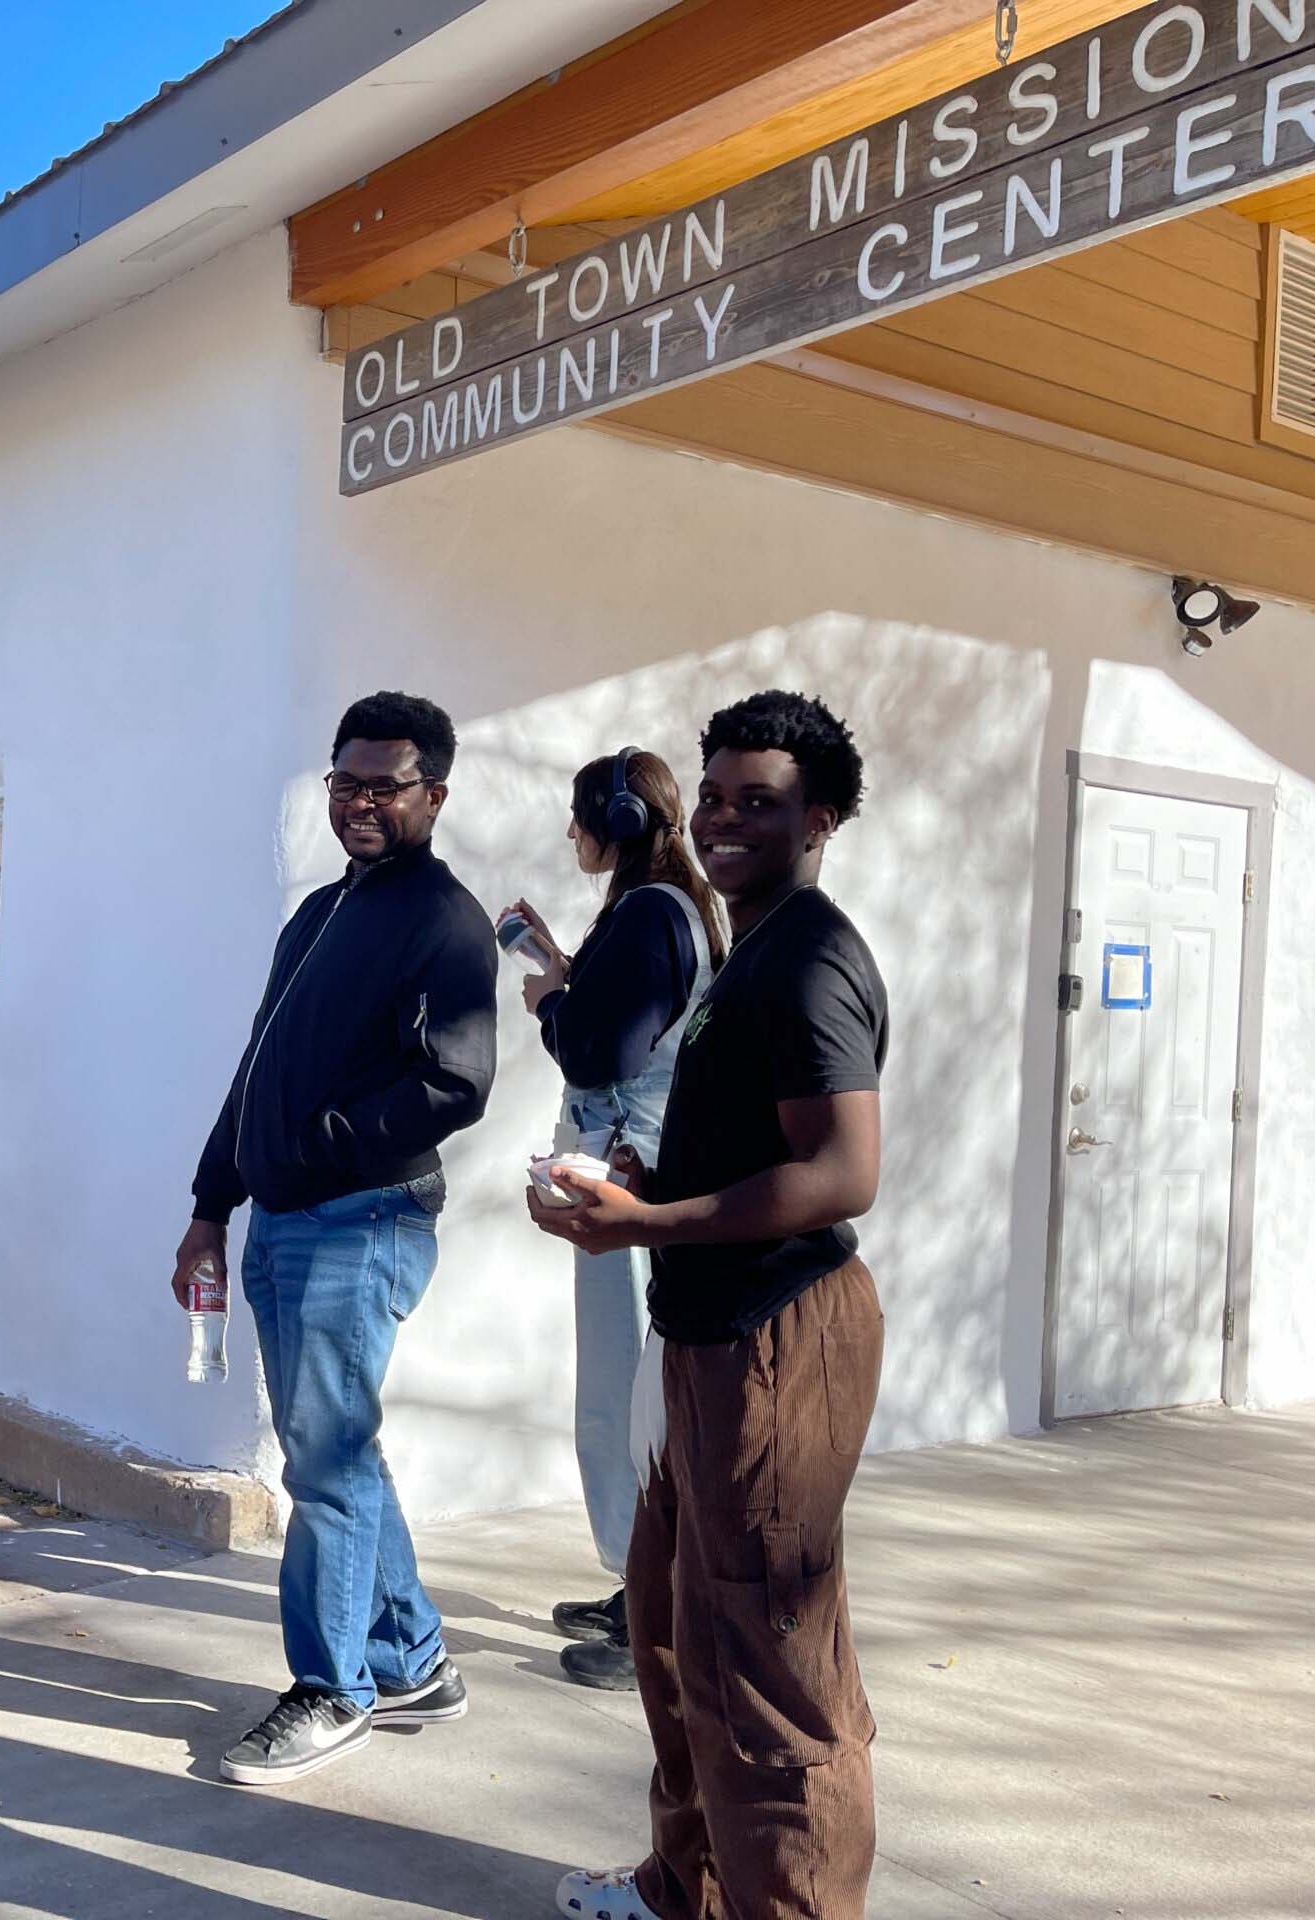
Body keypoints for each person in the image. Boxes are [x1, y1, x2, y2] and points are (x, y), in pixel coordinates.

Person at [530, 692, 887, 1920]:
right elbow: (747, 1140)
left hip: (775, 1336)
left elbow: (842, 1172)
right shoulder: (748, 945)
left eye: (761, 803)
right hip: (704, 1333)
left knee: (771, 1675)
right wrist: (644, 1181)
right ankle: (683, 1888)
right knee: (677, 1634)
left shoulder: (811, 957)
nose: (726, 821)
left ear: (819, 819)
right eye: (717, 797)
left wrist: (647, 1224)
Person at [172, 690, 499, 1788]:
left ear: (432, 796)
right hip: (284, 1219)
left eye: (384, 787)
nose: (360, 802)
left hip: (360, 1220)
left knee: (325, 1458)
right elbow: (256, 1068)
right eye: (345, 782)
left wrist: (317, 1147)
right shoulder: (318, 914)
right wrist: (211, 1204)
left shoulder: (443, 921)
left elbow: (456, 1082)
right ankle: (411, 1662)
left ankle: (332, 1690)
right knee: (337, 1448)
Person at [501, 749, 722, 1691]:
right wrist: (562, 965)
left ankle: (656, 1615)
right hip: (642, 1173)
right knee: (630, 1391)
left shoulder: (649, 914)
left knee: (631, 1398)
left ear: (618, 822)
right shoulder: (669, 907)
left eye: (580, 814)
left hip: (627, 1177)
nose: (570, 831)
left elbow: (602, 1053)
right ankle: (642, 1584)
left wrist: (550, 1002)